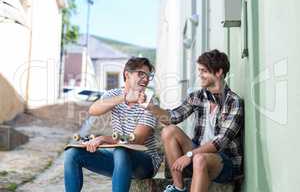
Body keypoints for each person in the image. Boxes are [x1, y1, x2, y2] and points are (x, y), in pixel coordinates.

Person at [140, 49, 244, 192]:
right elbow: (173, 117)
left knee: (199, 159)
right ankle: (178, 187)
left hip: (224, 162)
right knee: (169, 131)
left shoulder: (234, 102)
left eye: (204, 71)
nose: (199, 75)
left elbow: (219, 142)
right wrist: (150, 106)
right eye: (199, 70)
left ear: (219, 72)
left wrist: (189, 155)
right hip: (197, 154)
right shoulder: (197, 96)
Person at [64, 57, 162, 192]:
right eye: (140, 74)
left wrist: (103, 139)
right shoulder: (114, 94)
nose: (145, 79)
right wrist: (125, 97)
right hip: (120, 159)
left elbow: (137, 139)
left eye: (148, 76)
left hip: (145, 162)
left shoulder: (151, 102)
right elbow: (93, 110)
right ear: (127, 74)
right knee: (72, 153)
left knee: (122, 150)